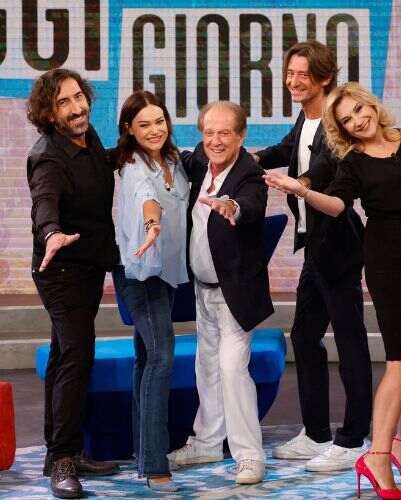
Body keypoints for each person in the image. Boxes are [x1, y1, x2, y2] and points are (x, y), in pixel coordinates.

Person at [264, 82, 401, 500]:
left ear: (372, 105)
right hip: (388, 262)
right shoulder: (352, 162)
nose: (357, 120)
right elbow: (337, 206)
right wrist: (302, 191)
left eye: (358, 110)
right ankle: (377, 457)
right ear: (342, 130)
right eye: (346, 120)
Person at [253, 41, 371, 472]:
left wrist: (297, 183)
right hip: (314, 246)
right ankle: (316, 433)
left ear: (324, 78)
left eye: (303, 74)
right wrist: (248, 159)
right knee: (304, 337)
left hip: (338, 245)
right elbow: (287, 148)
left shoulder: (337, 123)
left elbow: (321, 168)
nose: (293, 81)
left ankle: (353, 438)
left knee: (350, 340)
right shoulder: (305, 118)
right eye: (290, 73)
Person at [166, 101, 274, 485]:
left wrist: (231, 207)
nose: (216, 140)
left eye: (225, 133)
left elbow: (250, 205)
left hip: (236, 293)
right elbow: (170, 154)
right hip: (202, 289)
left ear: (241, 136)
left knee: (231, 368)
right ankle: (207, 443)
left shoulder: (249, 174)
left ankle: (250, 456)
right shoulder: (198, 160)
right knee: (206, 366)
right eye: (209, 132)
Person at [26, 68, 119, 499]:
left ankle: (63, 451)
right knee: (77, 357)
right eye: (63, 102)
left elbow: (102, 167)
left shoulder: (89, 139)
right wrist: (50, 233)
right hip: (61, 270)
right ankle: (63, 459)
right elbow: (44, 204)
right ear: (48, 113)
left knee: (65, 355)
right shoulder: (48, 157)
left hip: (89, 265)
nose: (76, 107)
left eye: (78, 97)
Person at [111, 91, 188, 492]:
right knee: (161, 357)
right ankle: (157, 465)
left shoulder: (173, 160)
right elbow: (147, 199)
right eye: (144, 125)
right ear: (129, 129)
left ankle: (143, 453)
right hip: (140, 272)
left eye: (160, 121)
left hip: (165, 271)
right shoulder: (132, 168)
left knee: (146, 358)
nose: (155, 130)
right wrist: (152, 224)